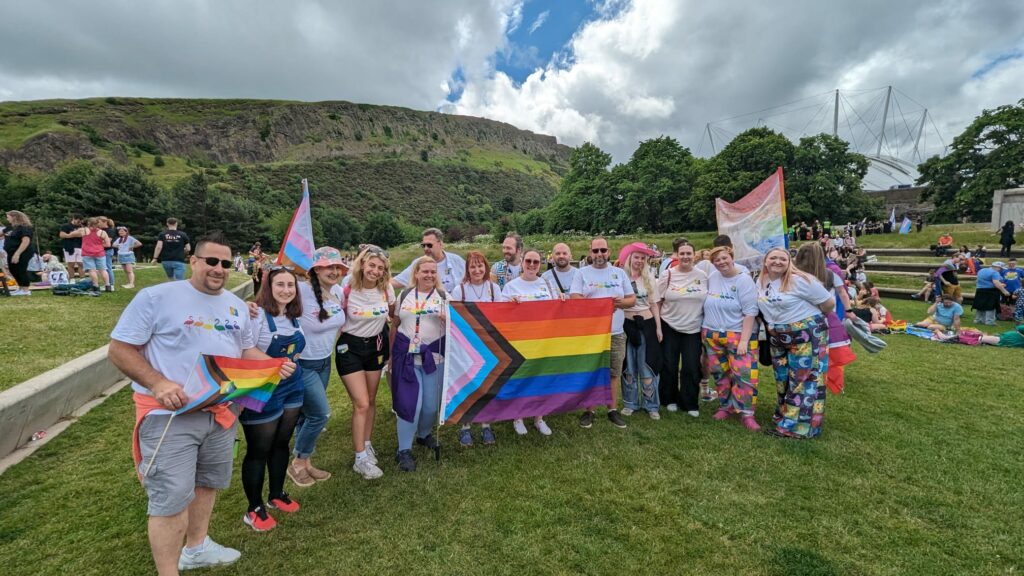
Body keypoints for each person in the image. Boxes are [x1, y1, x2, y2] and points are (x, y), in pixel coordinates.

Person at [108, 231, 295, 574]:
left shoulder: (237, 307)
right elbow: (119, 349)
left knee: (208, 482)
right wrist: (158, 382)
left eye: (225, 263)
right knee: (170, 498)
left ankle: (197, 547)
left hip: (222, 411)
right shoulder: (157, 297)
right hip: (169, 414)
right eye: (211, 261)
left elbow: (243, 351)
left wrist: (272, 365)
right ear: (193, 260)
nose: (219, 269)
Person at [239, 266, 306, 532]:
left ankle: (276, 494)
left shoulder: (294, 316)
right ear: (268, 287)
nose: (286, 290)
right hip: (262, 387)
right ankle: (254, 508)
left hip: (292, 385)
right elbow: (244, 350)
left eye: (291, 285)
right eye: (280, 285)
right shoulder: (255, 315)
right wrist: (274, 364)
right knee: (259, 450)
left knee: (281, 443)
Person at [758, 247, 835, 439]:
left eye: (782, 259)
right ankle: (784, 415)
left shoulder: (801, 280)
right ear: (765, 261)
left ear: (789, 261)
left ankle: (796, 428)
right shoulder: (761, 281)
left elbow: (828, 304)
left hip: (806, 334)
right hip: (779, 336)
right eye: (772, 258)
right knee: (783, 378)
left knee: (803, 379)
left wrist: (806, 321)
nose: (777, 261)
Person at [288, 247, 348, 486]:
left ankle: (306, 461)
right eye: (328, 267)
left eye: (337, 267)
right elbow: (272, 301)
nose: (334, 272)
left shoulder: (338, 293)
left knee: (306, 414)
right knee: (321, 414)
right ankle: (298, 463)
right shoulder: (300, 291)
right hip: (303, 363)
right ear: (315, 269)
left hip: (325, 360)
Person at [337, 246, 395, 480]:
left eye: (380, 268)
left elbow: (393, 314)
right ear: (362, 264)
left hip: (376, 346)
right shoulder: (347, 288)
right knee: (360, 402)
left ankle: (367, 443)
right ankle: (359, 458)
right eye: (372, 265)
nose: (375, 270)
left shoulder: (386, 289)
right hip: (350, 348)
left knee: (371, 400)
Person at [570, 237, 635, 430]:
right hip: (591, 333)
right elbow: (575, 297)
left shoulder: (619, 273)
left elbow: (631, 299)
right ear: (590, 252)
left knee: (613, 372)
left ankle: (612, 409)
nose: (599, 254)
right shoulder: (582, 273)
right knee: (591, 371)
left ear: (609, 251)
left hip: (616, 332)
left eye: (603, 250)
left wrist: (616, 304)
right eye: (595, 251)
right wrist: (599, 306)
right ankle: (589, 410)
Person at [389, 256, 447, 472]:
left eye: (433, 272)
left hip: (434, 358)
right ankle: (403, 450)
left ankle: (424, 435)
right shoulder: (404, 295)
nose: (430, 275)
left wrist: (447, 319)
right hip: (406, 358)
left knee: (431, 406)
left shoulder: (443, 296)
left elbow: (458, 328)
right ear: (416, 273)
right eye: (425, 271)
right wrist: (390, 355)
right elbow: (394, 325)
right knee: (411, 404)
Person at [501, 248, 560, 435]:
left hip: (543, 341)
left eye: (536, 262)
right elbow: (501, 315)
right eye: (528, 261)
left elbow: (557, 310)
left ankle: (539, 418)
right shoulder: (511, 286)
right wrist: (510, 305)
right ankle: (518, 417)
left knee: (541, 379)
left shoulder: (548, 285)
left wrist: (563, 300)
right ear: (522, 263)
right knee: (521, 378)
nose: (532, 265)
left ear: (540, 264)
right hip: (521, 341)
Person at [701, 246, 760, 431]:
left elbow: (750, 312)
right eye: (717, 260)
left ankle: (747, 412)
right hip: (712, 333)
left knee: (744, 374)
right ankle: (725, 406)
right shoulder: (713, 278)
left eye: (724, 258)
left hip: (737, 334)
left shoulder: (743, 280)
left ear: (731, 257)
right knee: (720, 373)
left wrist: (744, 340)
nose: (721, 262)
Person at [450, 250, 502, 446]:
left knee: (487, 384)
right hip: (467, 345)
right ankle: (465, 426)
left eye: (480, 265)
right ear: (467, 269)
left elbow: (501, 316)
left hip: (489, 344)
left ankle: (486, 425)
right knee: (468, 385)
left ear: (486, 267)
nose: (477, 269)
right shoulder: (459, 290)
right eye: (473, 266)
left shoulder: (494, 289)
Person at [656, 238, 707, 417]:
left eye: (689, 254)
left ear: (694, 255)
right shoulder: (668, 274)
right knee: (669, 365)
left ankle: (689, 402)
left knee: (691, 366)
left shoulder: (702, 276)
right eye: (682, 253)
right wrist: (658, 327)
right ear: (677, 255)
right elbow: (658, 301)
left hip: (693, 328)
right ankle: (669, 398)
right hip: (669, 325)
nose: (685, 256)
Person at [617, 242, 662, 420]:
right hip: (626, 324)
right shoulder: (620, 277)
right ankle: (630, 403)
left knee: (647, 365)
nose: (639, 261)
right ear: (630, 258)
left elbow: (654, 304)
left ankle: (651, 405)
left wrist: (659, 327)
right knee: (628, 365)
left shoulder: (649, 277)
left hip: (647, 324)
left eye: (643, 258)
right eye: (636, 257)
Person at [392, 228, 465, 293]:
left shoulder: (457, 261)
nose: (426, 248)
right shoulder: (418, 263)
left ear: (440, 244)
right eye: (423, 245)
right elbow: (396, 282)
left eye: (429, 245)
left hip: (454, 306)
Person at [3, 210, 36, 296]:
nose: (7, 219)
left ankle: (25, 290)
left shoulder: (24, 228)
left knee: (21, 269)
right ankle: (20, 287)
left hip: (23, 252)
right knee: (13, 269)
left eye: (8, 217)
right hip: (11, 252)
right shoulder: (9, 228)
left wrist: (17, 254)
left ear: (14, 217)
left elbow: (25, 241)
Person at [79, 217, 112, 293]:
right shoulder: (102, 232)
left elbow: (75, 235)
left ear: (88, 223)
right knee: (103, 270)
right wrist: (99, 245)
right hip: (100, 253)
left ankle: (96, 286)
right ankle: (108, 286)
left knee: (92, 270)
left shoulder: (83, 231)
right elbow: (108, 244)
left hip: (87, 253)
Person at [973, 261, 1010, 326]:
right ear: (997, 267)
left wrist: (999, 284)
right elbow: (996, 283)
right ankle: (990, 321)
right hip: (991, 291)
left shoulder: (982, 270)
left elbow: (978, 280)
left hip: (980, 290)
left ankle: (978, 320)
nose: (1000, 270)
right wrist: (1004, 291)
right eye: (1000, 268)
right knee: (991, 306)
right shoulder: (995, 273)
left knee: (980, 305)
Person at [59, 214, 84, 279]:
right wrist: (71, 235)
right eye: (78, 221)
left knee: (81, 264)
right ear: (74, 219)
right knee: (71, 264)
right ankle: (72, 279)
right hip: (69, 246)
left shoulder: (81, 227)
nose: (80, 223)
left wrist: (71, 234)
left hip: (80, 246)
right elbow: (62, 235)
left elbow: (82, 235)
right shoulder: (66, 226)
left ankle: (82, 278)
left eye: (81, 221)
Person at [98, 216, 117, 291]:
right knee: (103, 268)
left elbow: (107, 241)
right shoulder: (101, 230)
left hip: (107, 251)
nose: (98, 224)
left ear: (104, 222)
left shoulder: (110, 230)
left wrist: (96, 242)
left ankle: (111, 285)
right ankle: (106, 284)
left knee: (108, 268)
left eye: (99, 222)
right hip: (101, 250)